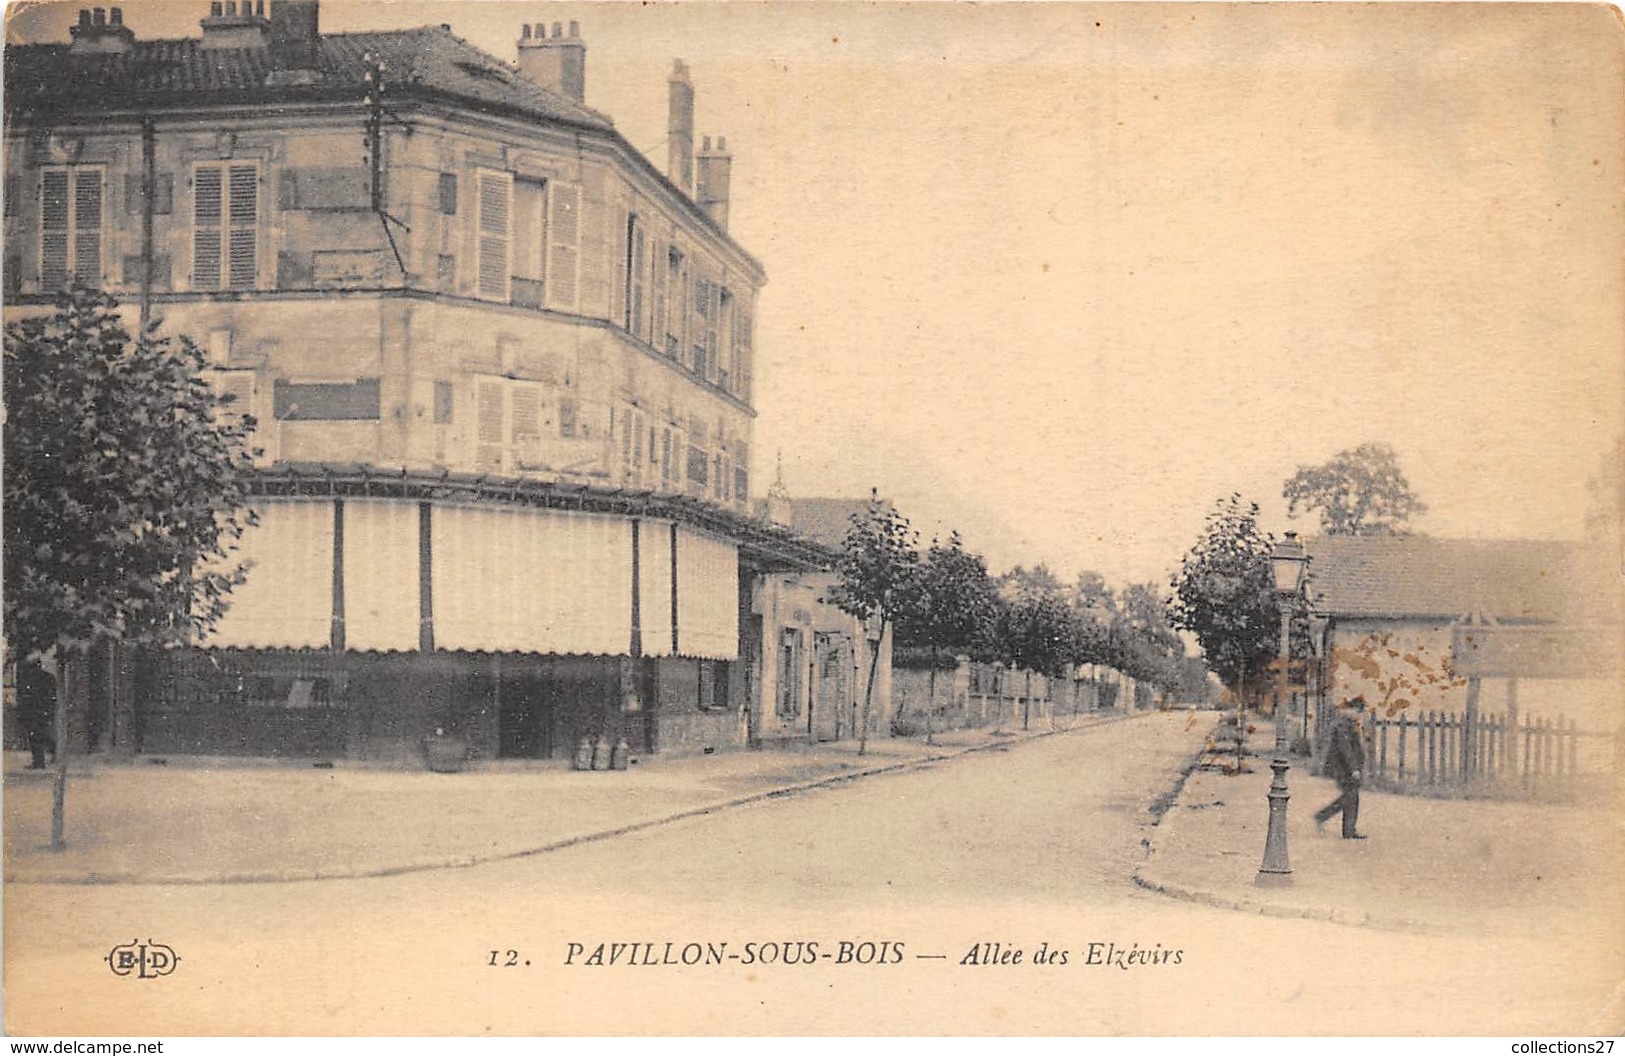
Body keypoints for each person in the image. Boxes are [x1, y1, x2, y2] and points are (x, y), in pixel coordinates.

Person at [1315, 695, 1367, 839]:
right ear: (1351, 710)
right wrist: (1354, 769)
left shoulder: (1349, 723)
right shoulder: (1343, 725)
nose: (1359, 715)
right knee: (1350, 797)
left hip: (1347, 768)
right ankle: (1324, 817)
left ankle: (1348, 830)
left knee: (1351, 797)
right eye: (1358, 711)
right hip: (1343, 768)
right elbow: (1346, 749)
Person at [15, 658, 57, 770]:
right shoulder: (48, 677)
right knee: (40, 735)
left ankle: (39, 762)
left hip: (35, 711)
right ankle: (52, 752)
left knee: (36, 736)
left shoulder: (31, 678)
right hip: (41, 711)